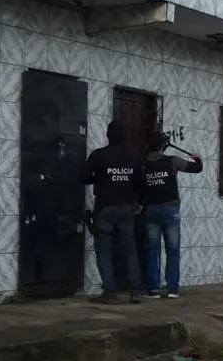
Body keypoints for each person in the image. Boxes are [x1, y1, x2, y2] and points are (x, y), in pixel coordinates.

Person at [82, 120, 145, 304]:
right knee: (130, 251)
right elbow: (141, 183)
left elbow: (83, 176)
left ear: (108, 135)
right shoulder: (134, 156)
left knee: (103, 251)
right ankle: (136, 291)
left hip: (104, 208)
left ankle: (110, 292)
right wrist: (139, 203)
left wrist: (99, 178)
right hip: (126, 209)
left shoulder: (99, 155)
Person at [140, 131, 203, 298]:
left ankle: (153, 289)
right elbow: (197, 168)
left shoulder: (142, 164)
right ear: (163, 145)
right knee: (173, 250)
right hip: (171, 211)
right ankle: (172, 289)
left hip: (151, 211)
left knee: (152, 251)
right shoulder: (172, 161)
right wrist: (197, 158)